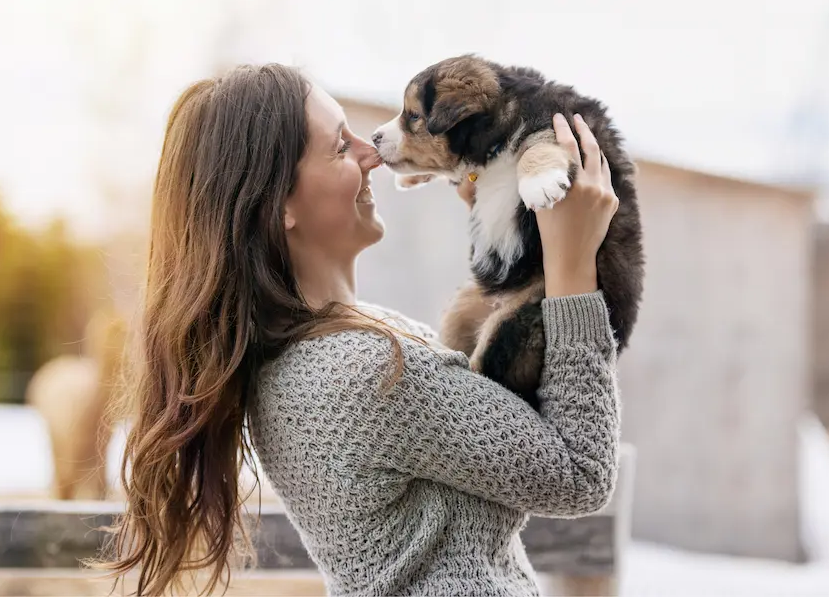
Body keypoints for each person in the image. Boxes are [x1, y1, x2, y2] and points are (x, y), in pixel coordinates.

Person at [92, 63, 621, 596]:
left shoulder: (317, 355)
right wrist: (573, 271)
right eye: (338, 148)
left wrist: (501, 209)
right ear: (279, 207)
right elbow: (581, 472)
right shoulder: (369, 372)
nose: (370, 152)